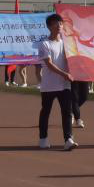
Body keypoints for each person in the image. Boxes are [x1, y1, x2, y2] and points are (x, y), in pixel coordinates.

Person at [37, 13, 76, 150]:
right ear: (49, 26)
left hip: (64, 84)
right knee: (46, 111)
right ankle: (43, 138)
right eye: (56, 23)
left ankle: (68, 139)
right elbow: (49, 64)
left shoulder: (67, 43)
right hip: (49, 85)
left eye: (60, 23)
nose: (59, 25)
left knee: (67, 112)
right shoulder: (44, 44)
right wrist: (65, 74)